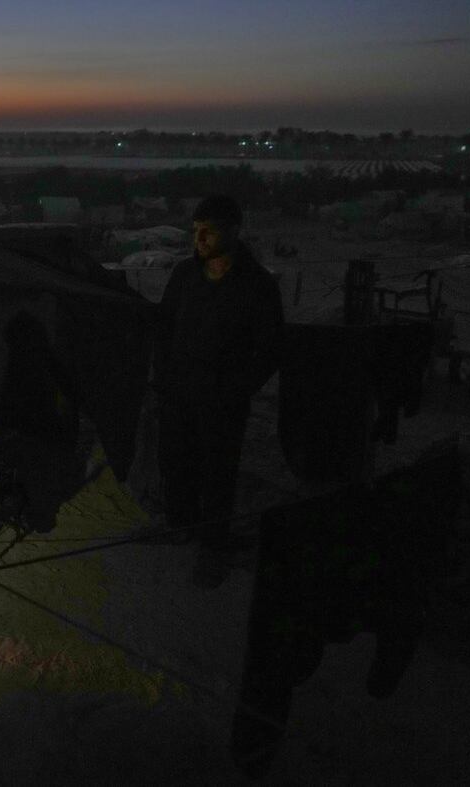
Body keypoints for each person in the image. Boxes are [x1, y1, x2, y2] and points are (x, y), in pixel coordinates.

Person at [154, 194, 283, 589]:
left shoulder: (257, 285)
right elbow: (164, 329)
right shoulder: (184, 275)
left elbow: (270, 349)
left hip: (223, 402)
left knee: (218, 473)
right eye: (196, 230)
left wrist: (236, 390)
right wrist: (164, 379)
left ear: (233, 230)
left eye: (208, 231)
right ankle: (180, 525)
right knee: (176, 462)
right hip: (179, 394)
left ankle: (213, 546)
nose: (200, 239)